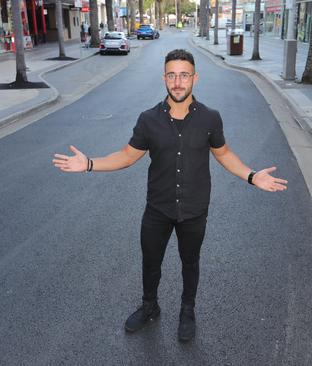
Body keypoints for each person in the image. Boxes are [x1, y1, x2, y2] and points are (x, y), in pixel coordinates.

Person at [52, 49, 288, 342]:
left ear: (194, 78)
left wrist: (252, 175)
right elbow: (126, 156)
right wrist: (89, 164)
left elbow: (224, 154)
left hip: (194, 210)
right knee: (151, 262)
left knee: (190, 262)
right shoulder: (148, 119)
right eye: (172, 75)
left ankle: (187, 310)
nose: (178, 82)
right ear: (165, 78)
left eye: (184, 75)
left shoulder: (210, 118)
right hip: (158, 209)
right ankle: (150, 306)